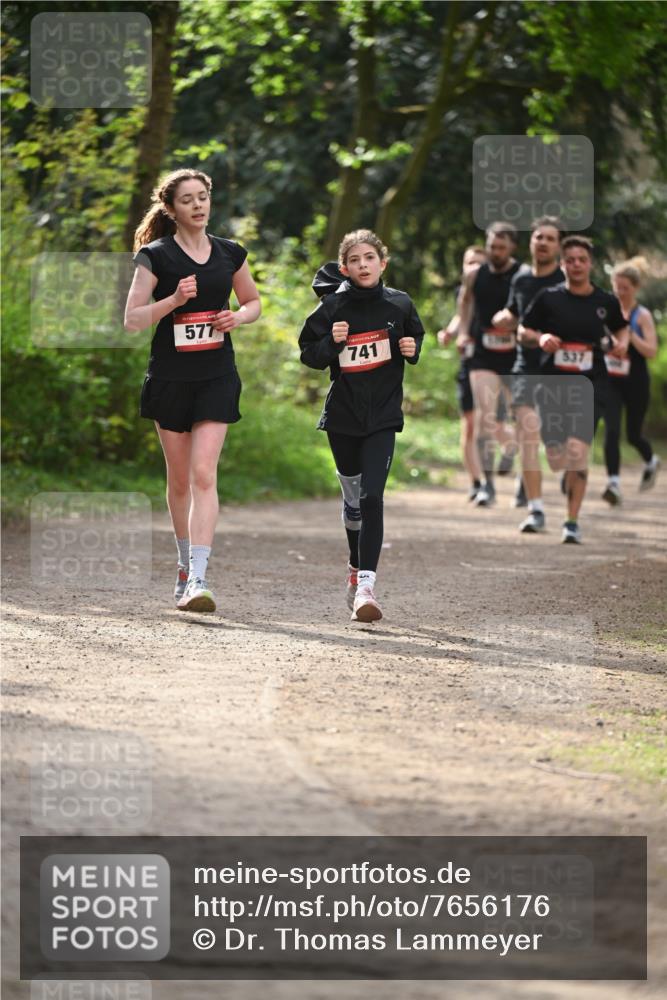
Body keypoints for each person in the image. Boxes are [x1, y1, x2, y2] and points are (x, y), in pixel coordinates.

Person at [124, 168, 261, 612]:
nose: (198, 206)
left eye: (203, 197)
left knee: (204, 474)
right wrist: (174, 301)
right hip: (170, 377)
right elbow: (133, 319)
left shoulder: (230, 253)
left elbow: (253, 302)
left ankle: (199, 579)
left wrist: (236, 318)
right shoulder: (155, 256)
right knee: (179, 480)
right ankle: (184, 564)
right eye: (188, 200)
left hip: (217, 374)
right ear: (171, 208)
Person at [299, 229, 424, 622]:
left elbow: (415, 335)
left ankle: (366, 587)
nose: (363, 265)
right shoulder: (332, 308)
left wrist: (412, 348)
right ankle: (354, 567)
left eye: (370, 258)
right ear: (344, 268)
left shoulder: (399, 303)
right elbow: (309, 355)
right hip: (343, 417)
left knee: (372, 499)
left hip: (383, 417)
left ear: (382, 263)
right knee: (354, 504)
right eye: (355, 260)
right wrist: (332, 344)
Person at [520, 236, 628, 544]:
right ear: (562, 263)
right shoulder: (548, 297)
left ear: (590, 263)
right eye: (571, 260)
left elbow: (621, 326)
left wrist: (622, 343)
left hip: (591, 384)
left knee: (578, 453)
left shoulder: (605, 301)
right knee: (556, 457)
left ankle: (571, 521)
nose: (576, 265)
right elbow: (523, 329)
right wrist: (539, 339)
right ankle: (565, 474)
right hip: (552, 384)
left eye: (582, 259)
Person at [492, 216, 565, 533]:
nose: (543, 242)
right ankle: (536, 510)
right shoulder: (521, 279)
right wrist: (503, 317)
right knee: (527, 435)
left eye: (550, 238)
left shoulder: (568, 280)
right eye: (539, 237)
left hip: (561, 370)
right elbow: (513, 311)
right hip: (525, 367)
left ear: (559, 246)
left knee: (556, 453)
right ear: (531, 242)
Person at [459, 222, 521, 508]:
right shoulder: (474, 274)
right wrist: (462, 331)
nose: (495, 252)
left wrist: (516, 323)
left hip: (516, 354)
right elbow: (465, 301)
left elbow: (536, 310)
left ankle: (522, 482)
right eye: (492, 246)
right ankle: (487, 485)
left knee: (520, 417)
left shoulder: (522, 275)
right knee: (485, 415)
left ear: (512, 248)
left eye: (501, 247)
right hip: (483, 353)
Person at [601, 258, 660, 504]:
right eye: (616, 286)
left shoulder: (642, 315)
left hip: (636, 381)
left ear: (635, 288)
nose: (619, 292)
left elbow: (651, 351)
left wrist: (630, 335)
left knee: (633, 434)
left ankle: (651, 460)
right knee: (612, 430)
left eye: (625, 287)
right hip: (611, 380)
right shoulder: (606, 311)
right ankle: (613, 482)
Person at [437, 246, 486, 501]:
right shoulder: (462, 292)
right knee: (468, 427)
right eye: (469, 263)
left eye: (479, 263)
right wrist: (449, 332)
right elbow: (459, 316)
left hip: (495, 367)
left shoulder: (498, 292)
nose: (473, 268)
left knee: (493, 426)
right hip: (468, 366)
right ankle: (477, 482)